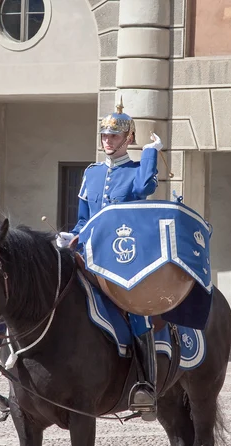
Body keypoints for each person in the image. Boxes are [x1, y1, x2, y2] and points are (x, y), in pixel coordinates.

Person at [56, 100, 164, 420]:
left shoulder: (135, 171)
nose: (107, 141)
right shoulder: (91, 174)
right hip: (88, 254)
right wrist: (70, 237)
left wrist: (151, 153)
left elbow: (145, 188)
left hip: (122, 255)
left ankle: (146, 385)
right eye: (104, 135)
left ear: (128, 139)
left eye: (115, 137)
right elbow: (82, 220)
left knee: (136, 310)